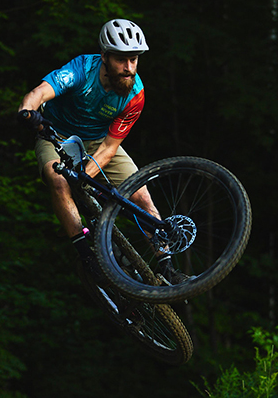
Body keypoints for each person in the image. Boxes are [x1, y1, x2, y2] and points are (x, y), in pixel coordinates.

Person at [17, 18, 185, 284]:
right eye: (121, 60)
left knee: (142, 195)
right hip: (56, 137)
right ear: (104, 56)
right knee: (59, 181)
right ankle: (86, 255)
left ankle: (166, 268)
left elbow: (109, 147)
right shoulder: (83, 70)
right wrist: (28, 112)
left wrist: (83, 176)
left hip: (100, 142)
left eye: (134, 60)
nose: (129, 68)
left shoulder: (135, 95)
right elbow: (39, 93)